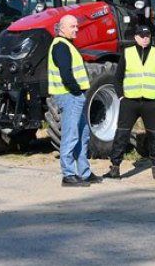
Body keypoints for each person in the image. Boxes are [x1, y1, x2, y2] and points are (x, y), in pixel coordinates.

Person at [103, 26, 155, 181]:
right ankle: (115, 168)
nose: (145, 38)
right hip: (130, 102)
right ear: (135, 37)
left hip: (150, 102)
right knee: (121, 134)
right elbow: (118, 78)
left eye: (147, 35)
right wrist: (121, 97)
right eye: (142, 35)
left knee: (154, 136)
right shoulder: (127, 53)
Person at [48, 14, 102, 187]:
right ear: (62, 28)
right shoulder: (62, 47)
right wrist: (76, 91)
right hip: (70, 95)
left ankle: (84, 173)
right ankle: (68, 174)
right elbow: (66, 74)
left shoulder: (66, 45)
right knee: (71, 135)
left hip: (73, 95)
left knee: (83, 134)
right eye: (73, 26)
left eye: (76, 26)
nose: (76, 29)